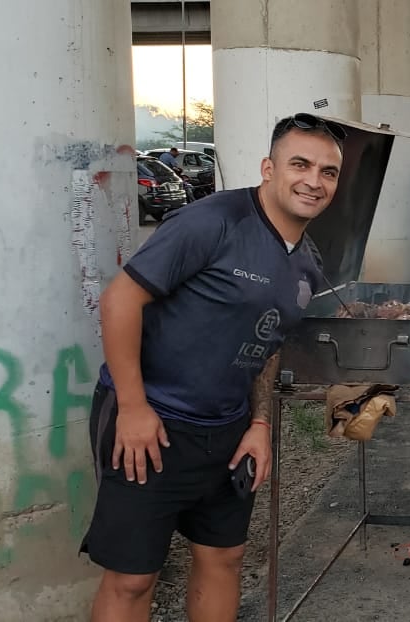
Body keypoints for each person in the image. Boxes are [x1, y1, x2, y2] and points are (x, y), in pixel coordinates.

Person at [81, 112, 345, 622]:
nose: (314, 180)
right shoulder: (213, 221)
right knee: (133, 578)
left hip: (226, 430)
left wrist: (260, 424)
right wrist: (133, 409)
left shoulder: (305, 260)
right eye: (300, 164)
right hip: (153, 422)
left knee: (224, 557)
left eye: (328, 171)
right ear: (269, 168)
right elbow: (119, 301)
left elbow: (269, 346)